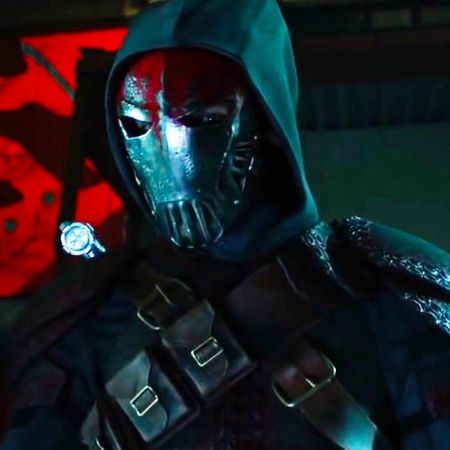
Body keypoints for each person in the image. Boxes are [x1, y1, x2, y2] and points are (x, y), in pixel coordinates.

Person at [3, 0, 450, 449]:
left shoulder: (385, 292)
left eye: (204, 119)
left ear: (267, 120)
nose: (171, 151)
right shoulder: (88, 316)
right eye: (138, 124)